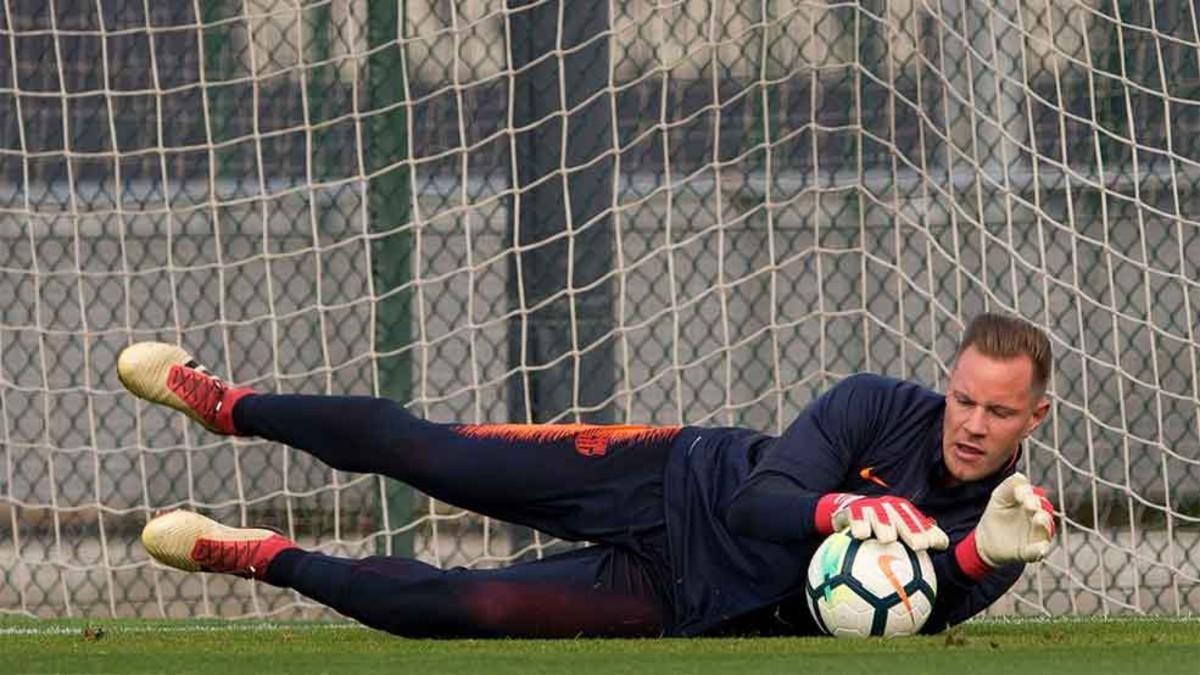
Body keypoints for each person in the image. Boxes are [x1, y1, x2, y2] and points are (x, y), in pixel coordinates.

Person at [119, 313, 1056, 638]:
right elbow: (758, 501)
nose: (973, 425)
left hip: (680, 598)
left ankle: (258, 555)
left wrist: (974, 556)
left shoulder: (1010, 522)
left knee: (453, 611)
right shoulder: (871, 405)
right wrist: (848, 505)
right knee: (431, 453)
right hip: (666, 478)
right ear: (948, 384)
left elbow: (918, 623)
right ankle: (225, 402)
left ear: (1033, 418)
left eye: (999, 412)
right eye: (964, 399)